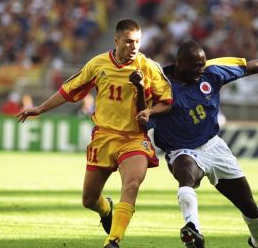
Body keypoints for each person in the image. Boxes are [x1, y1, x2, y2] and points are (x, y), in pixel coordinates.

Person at [16, 19, 173, 248]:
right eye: (128, 42)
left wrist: (150, 111)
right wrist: (39, 108)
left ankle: (113, 240)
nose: (133, 47)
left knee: (131, 184)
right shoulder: (98, 64)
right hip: (104, 137)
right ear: (116, 40)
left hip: (134, 139)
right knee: (89, 200)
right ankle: (106, 209)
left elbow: (167, 101)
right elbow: (68, 90)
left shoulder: (148, 67)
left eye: (137, 42)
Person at [148, 40, 258, 248]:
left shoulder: (212, 72)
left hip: (214, 147)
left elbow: (247, 67)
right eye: (195, 66)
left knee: (249, 207)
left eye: (202, 64)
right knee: (186, 171)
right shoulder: (158, 83)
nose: (201, 69)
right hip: (181, 149)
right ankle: (193, 231)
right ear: (179, 63)